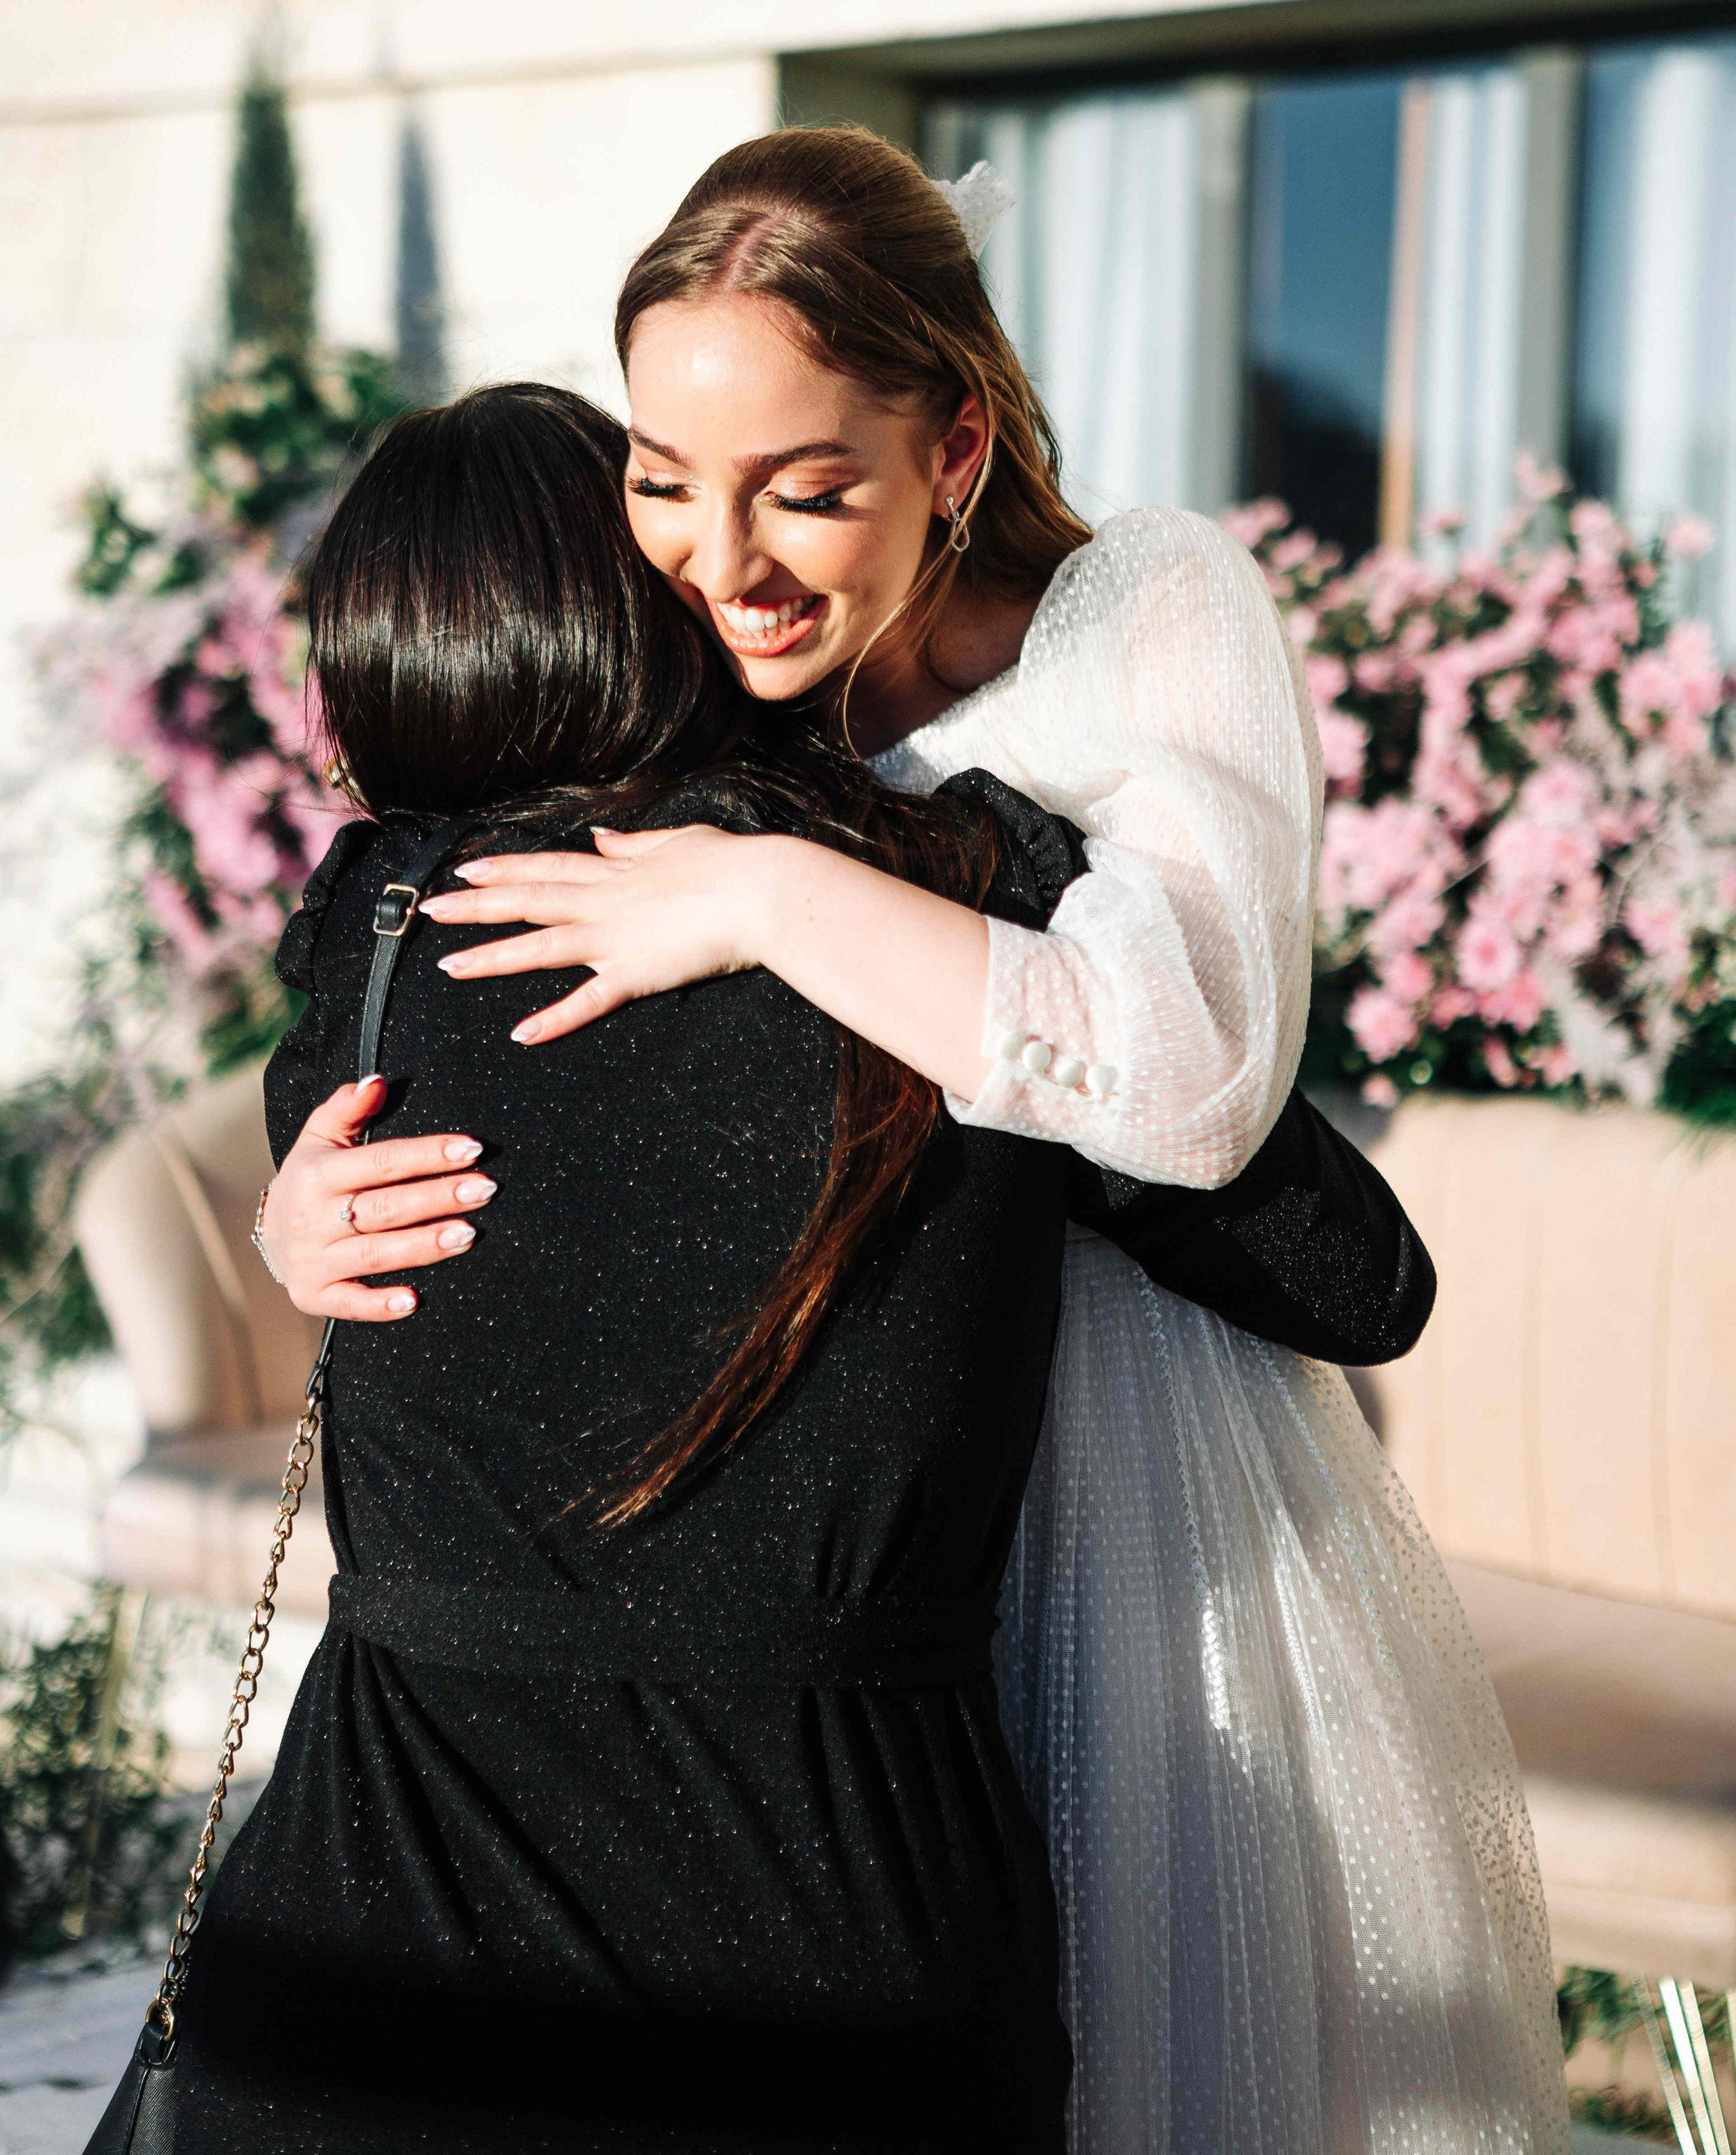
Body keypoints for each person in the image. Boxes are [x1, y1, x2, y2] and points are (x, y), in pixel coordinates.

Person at [258, 133, 1569, 2152]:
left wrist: (771, 898)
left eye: (805, 490)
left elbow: (1196, 1091)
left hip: (1131, 1436)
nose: (718, 560)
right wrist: (301, 1191)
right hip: (872, 1422)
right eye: (663, 483)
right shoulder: (726, 643)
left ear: (957, 450)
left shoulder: (1144, 608)